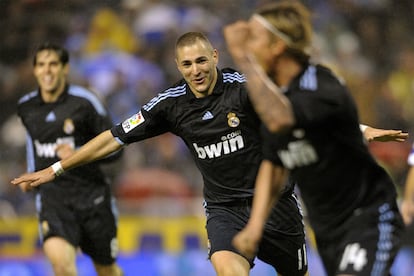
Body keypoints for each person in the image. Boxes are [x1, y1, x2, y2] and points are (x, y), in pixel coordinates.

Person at [11, 34, 406, 276]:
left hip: (277, 208)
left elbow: (303, 114)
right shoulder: (169, 105)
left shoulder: (246, 89)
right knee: (226, 268)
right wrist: (58, 168)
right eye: (187, 64)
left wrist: (363, 131)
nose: (196, 70)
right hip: (225, 211)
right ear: (178, 66)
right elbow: (114, 138)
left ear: (215, 56)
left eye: (202, 60)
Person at [223, 1, 406, 276]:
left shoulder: (320, 83)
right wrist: (255, 227)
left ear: (278, 46)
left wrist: (241, 58)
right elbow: (274, 166)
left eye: (255, 39)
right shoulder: (276, 100)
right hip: (327, 229)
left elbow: (282, 120)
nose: (249, 47)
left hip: (367, 216)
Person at [16, 43, 123, 276]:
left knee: (107, 270)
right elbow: (33, 143)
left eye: (53, 64)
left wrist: (79, 152)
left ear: (65, 68)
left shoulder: (86, 102)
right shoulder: (26, 107)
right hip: (54, 201)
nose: (47, 71)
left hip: (92, 199)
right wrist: (32, 174)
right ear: (34, 70)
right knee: (62, 266)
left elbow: (116, 149)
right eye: (41, 65)